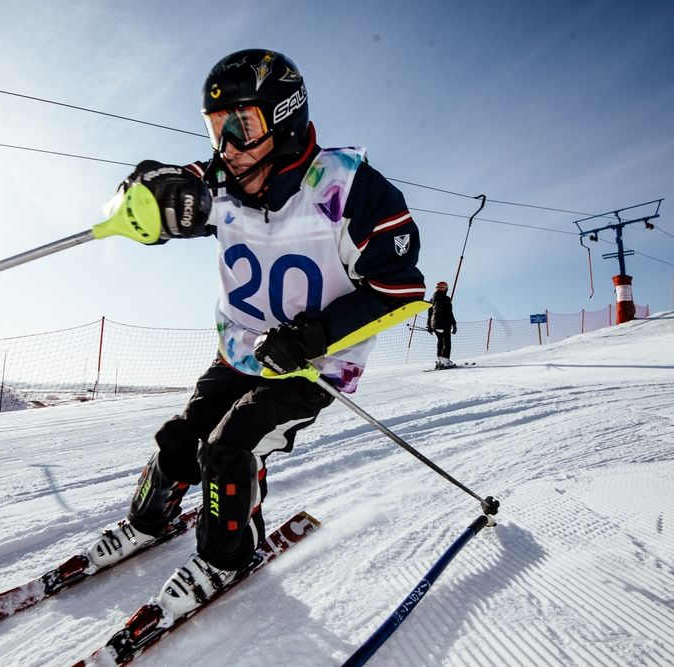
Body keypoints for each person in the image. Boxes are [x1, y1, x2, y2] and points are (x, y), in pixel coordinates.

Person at [84, 49, 425, 621]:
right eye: (216, 129)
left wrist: (316, 334)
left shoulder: (350, 188)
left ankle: (227, 555)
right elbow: (148, 192)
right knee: (180, 436)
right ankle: (150, 520)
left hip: (310, 363)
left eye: (241, 127)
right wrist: (143, 196)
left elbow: (401, 289)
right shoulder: (219, 182)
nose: (227, 148)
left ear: (284, 119)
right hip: (240, 348)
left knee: (229, 444)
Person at [426, 281, 457, 368]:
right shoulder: (446, 299)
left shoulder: (432, 300)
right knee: (446, 342)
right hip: (444, 324)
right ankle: (446, 361)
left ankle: (440, 361)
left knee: (440, 341)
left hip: (434, 325)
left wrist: (429, 325)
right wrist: (454, 324)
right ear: (446, 289)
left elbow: (429, 313)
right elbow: (449, 313)